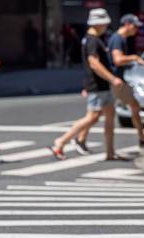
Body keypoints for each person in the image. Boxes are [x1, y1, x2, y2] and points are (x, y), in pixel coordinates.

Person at [49, 8, 126, 161]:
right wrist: (112, 78)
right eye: (104, 23)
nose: (106, 25)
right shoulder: (92, 40)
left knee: (109, 116)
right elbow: (94, 63)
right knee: (92, 117)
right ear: (98, 24)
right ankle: (61, 141)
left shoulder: (94, 39)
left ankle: (110, 152)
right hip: (97, 85)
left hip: (101, 85)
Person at [108, 14, 144, 148]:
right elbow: (117, 60)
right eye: (135, 27)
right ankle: (77, 139)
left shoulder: (119, 39)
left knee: (134, 106)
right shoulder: (118, 39)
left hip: (118, 80)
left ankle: (142, 137)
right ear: (127, 25)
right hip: (115, 80)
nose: (136, 30)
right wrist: (135, 58)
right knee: (95, 115)